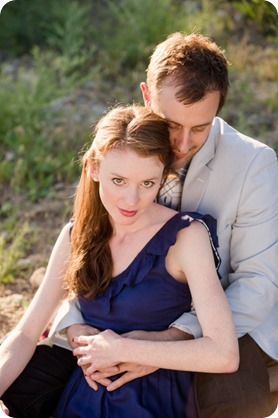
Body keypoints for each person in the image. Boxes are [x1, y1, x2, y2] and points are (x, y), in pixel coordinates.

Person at [1, 31, 278, 417]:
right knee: (31, 384)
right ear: (147, 97)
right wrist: (77, 327)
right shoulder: (133, 149)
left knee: (232, 403)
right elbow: (90, 243)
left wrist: (167, 343)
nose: (181, 144)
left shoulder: (254, 166)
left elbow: (258, 284)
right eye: (171, 124)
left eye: (199, 127)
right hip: (116, 321)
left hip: (219, 323)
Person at [0, 104, 238, 417]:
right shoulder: (75, 235)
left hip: (152, 400)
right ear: (94, 170)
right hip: (83, 394)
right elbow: (26, 333)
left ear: (163, 177)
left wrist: (124, 349)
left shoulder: (186, 236)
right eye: (119, 181)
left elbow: (223, 353)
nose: (131, 201)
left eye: (148, 184)